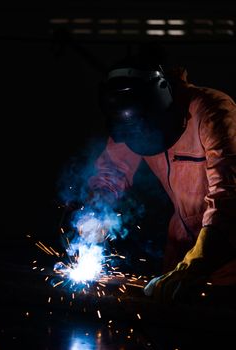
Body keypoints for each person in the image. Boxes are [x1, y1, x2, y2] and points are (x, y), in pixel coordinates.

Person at [85, 44, 236, 303]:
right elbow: (112, 170)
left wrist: (193, 266)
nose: (139, 141)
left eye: (144, 132)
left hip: (229, 262)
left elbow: (229, 199)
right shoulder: (133, 119)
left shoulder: (211, 112)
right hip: (179, 259)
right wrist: (96, 211)